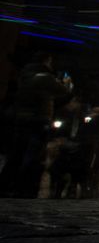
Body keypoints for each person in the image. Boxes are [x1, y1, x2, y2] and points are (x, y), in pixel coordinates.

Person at [1, 52, 73, 198]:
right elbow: (64, 91)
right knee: (33, 154)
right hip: (38, 120)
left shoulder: (25, 75)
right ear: (47, 60)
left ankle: (5, 184)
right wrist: (67, 83)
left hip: (21, 118)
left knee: (17, 153)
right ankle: (23, 187)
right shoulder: (44, 77)